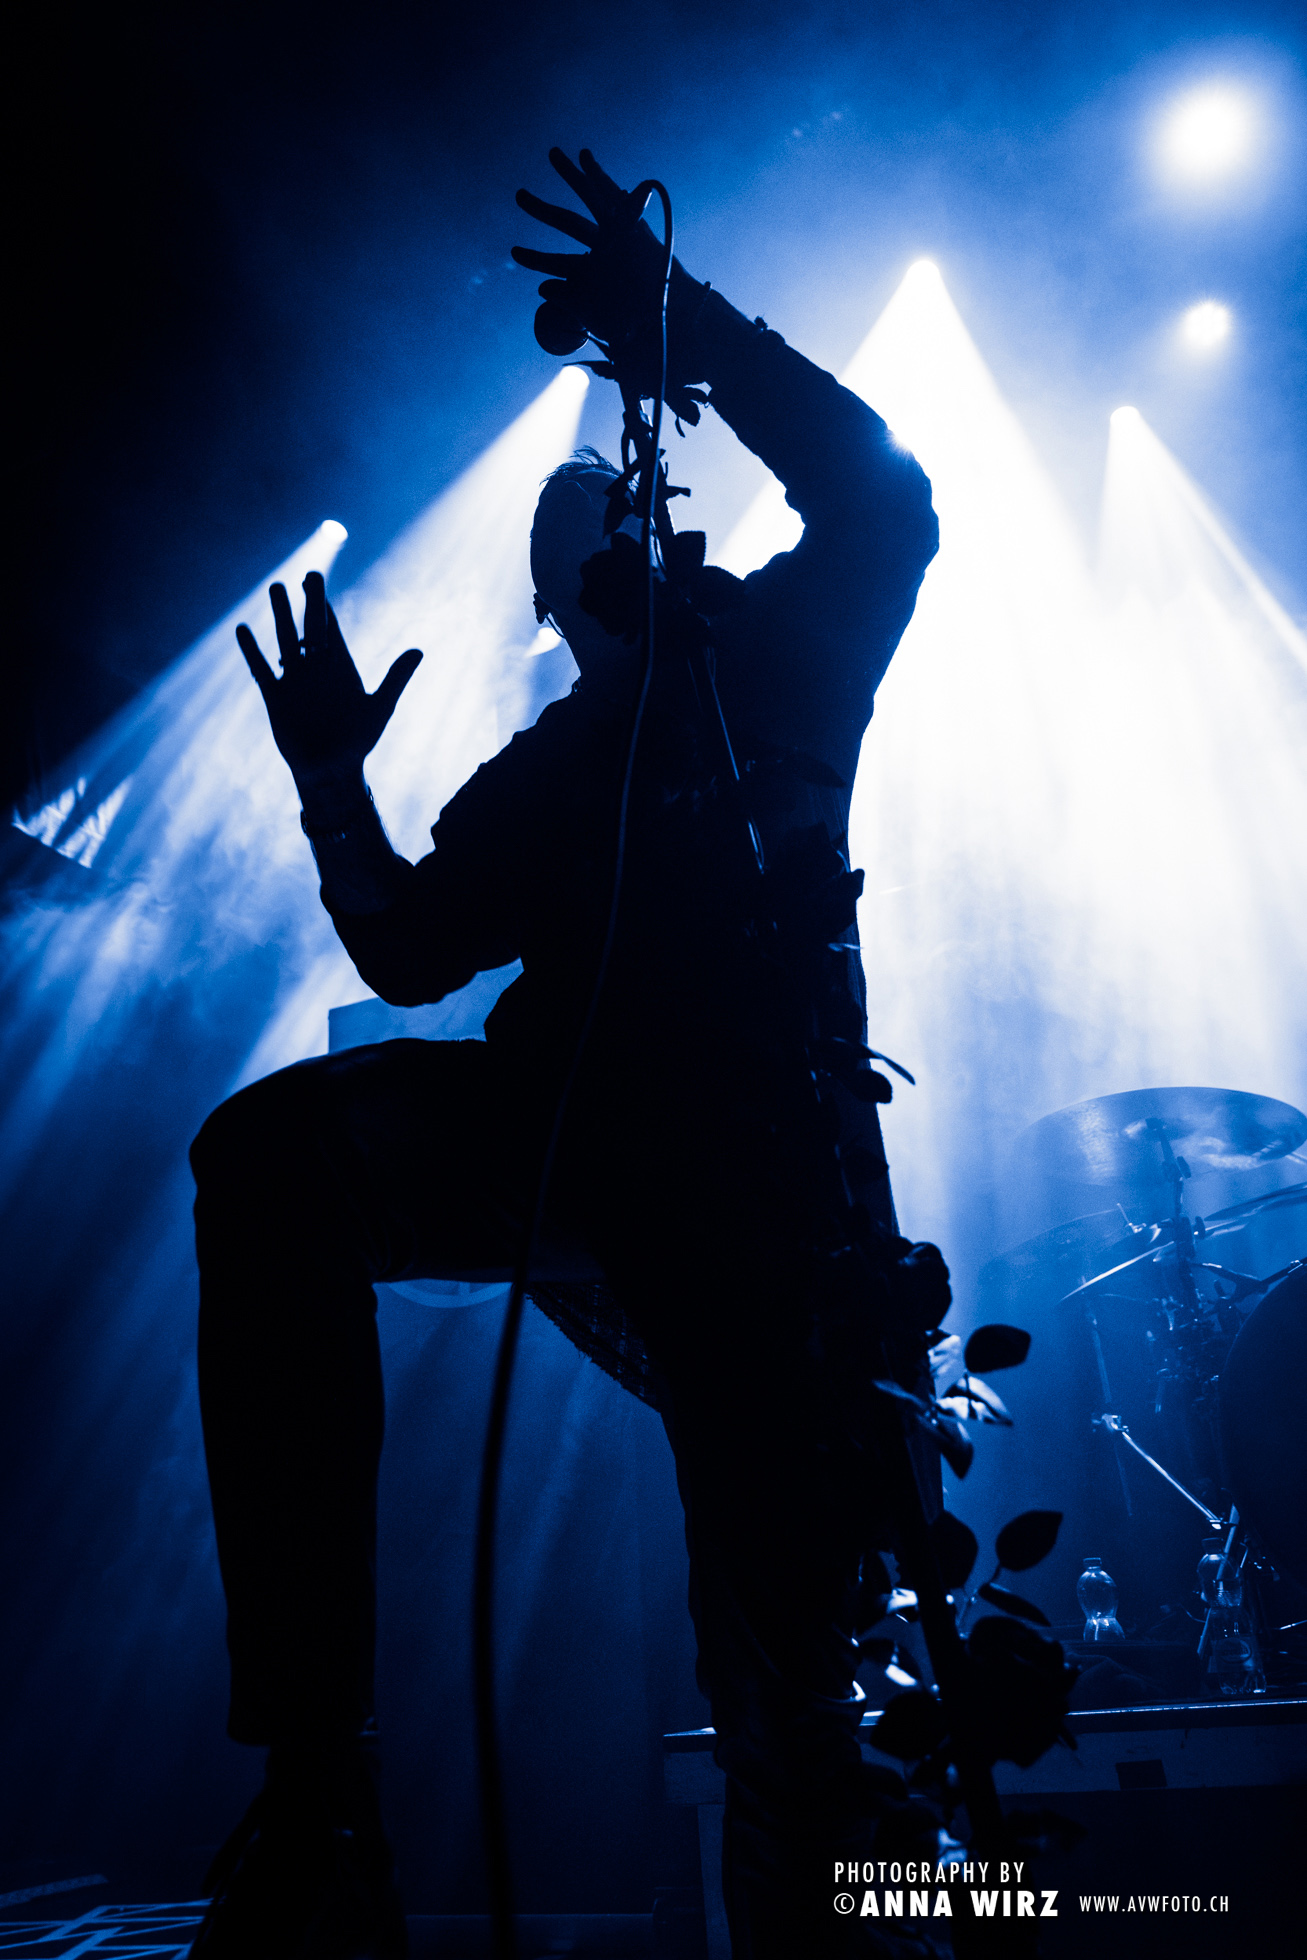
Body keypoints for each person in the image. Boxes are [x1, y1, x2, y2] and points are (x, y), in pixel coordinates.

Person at [187, 149, 940, 1959]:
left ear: (662, 536)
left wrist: (679, 322)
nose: (583, 545)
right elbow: (405, 948)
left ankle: (840, 1908)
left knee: (791, 1683)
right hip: (574, 1142)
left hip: (765, 1195)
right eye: (558, 554)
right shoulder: (544, 776)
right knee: (268, 1158)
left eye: (600, 515)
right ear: (553, 612)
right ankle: (319, 1775)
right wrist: (332, 788)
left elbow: (882, 498)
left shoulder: (777, 661)